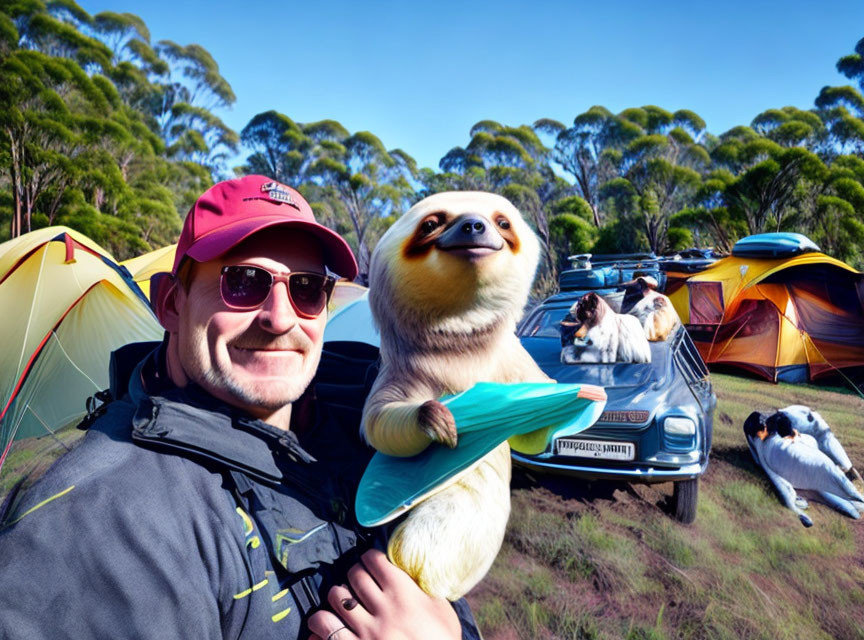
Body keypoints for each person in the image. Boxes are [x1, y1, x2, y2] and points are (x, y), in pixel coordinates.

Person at [0, 175, 479, 640]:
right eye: (245, 281)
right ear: (170, 302)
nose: (280, 317)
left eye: (307, 288)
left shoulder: (370, 430)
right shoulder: (103, 523)